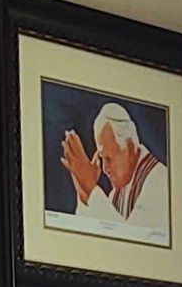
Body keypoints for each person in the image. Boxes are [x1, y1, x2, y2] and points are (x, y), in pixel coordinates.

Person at [59, 102, 170, 244]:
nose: (105, 169)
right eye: (102, 158)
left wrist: (92, 189)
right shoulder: (117, 193)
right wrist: (83, 190)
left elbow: (131, 245)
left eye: (109, 158)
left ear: (130, 146)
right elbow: (92, 241)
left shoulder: (160, 183)